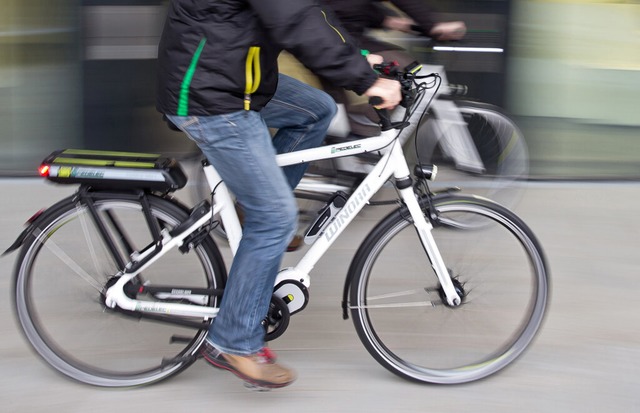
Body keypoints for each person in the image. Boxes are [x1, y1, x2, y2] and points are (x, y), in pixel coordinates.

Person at [156, 0, 401, 390]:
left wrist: (357, 60)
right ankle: (233, 340)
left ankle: (261, 217)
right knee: (277, 218)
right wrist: (365, 80)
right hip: (210, 95)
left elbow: (309, 13)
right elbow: (294, 17)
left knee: (316, 109)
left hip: (235, 79)